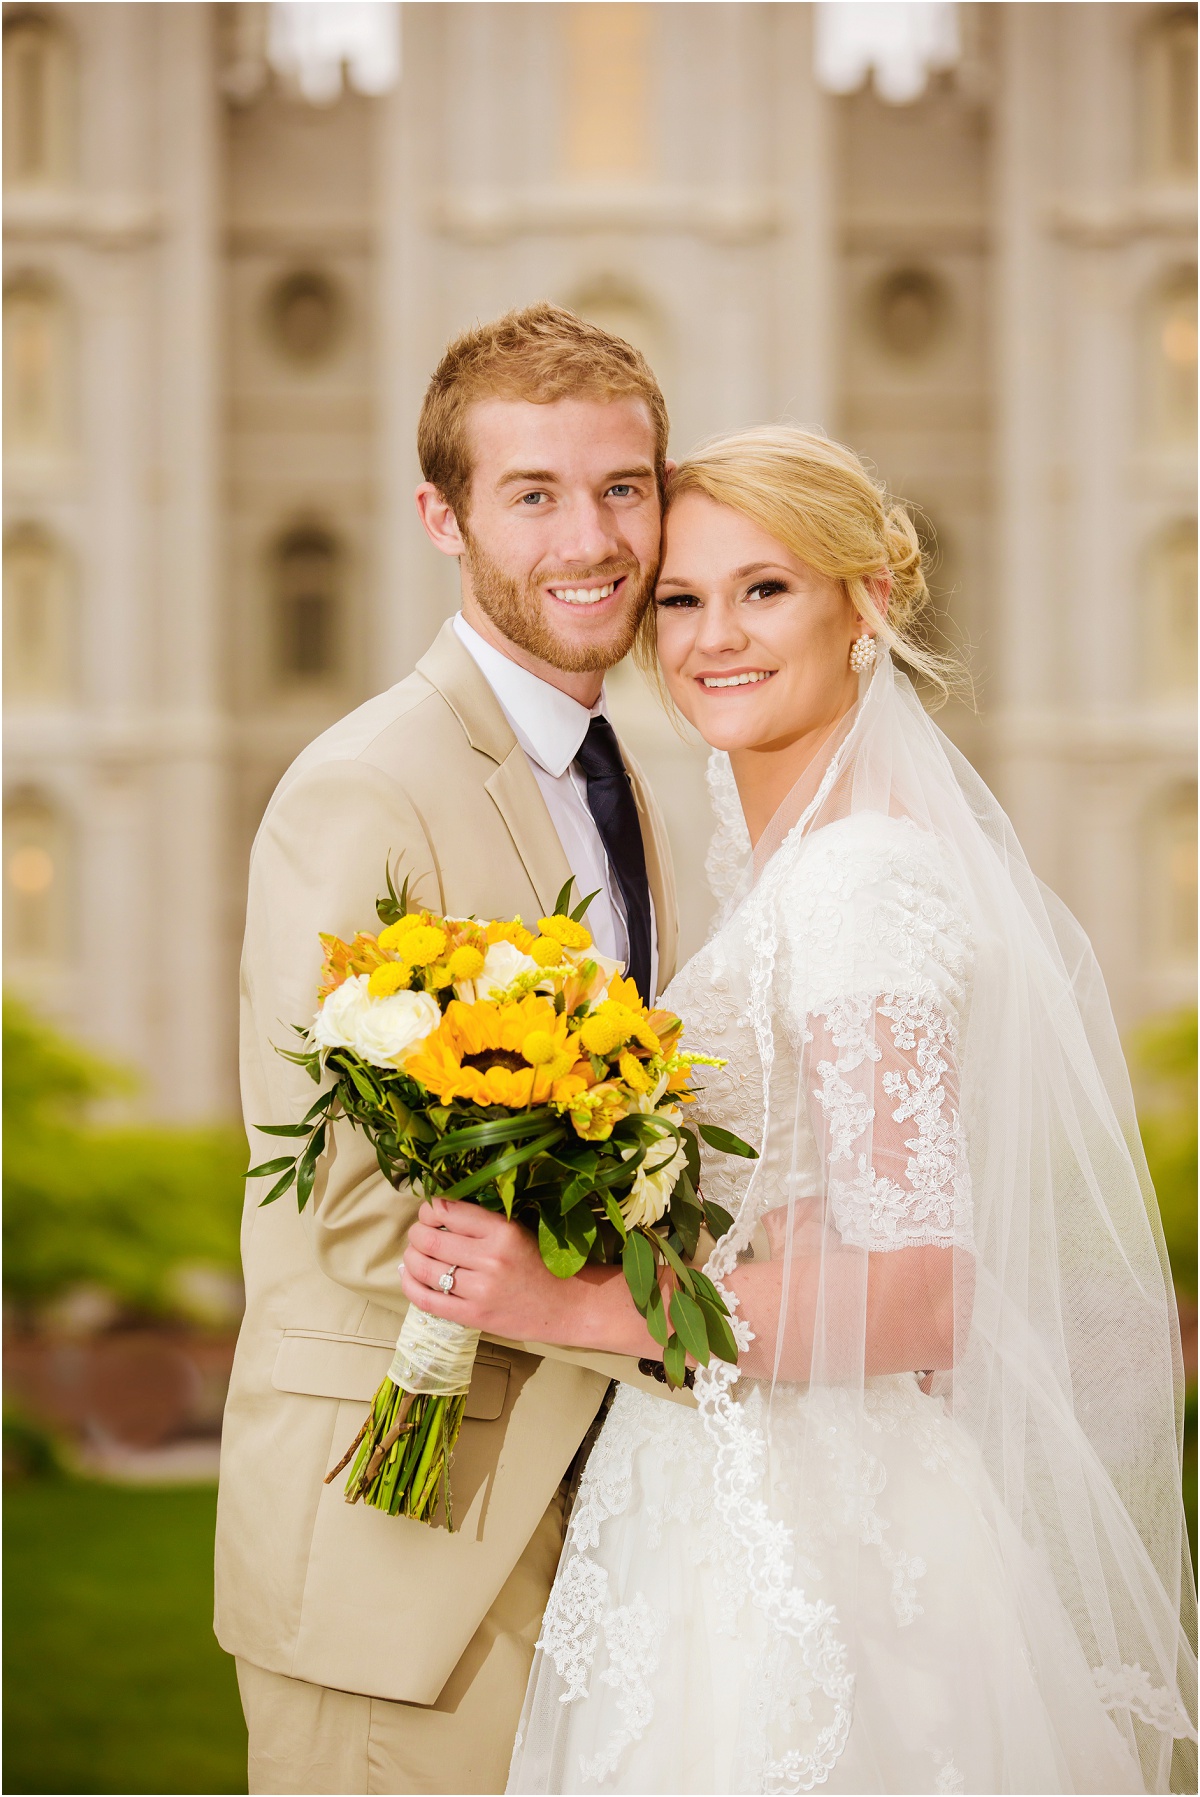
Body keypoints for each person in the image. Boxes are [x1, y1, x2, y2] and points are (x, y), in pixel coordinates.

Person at [408, 427, 1199, 1794]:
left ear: (868, 605)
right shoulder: (808, 864)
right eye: (682, 599)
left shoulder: (856, 884)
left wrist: (576, 1301)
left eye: (765, 590)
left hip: (806, 1545)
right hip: (746, 1482)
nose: (716, 635)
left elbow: (920, 1297)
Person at [215, 303, 690, 1796]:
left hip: (610, 1523)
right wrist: (656, 1321)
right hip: (401, 1544)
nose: (593, 536)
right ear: (443, 516)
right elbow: (347, 1200)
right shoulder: (364, 785)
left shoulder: (640, 774)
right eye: (534, 493)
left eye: (624, 487)